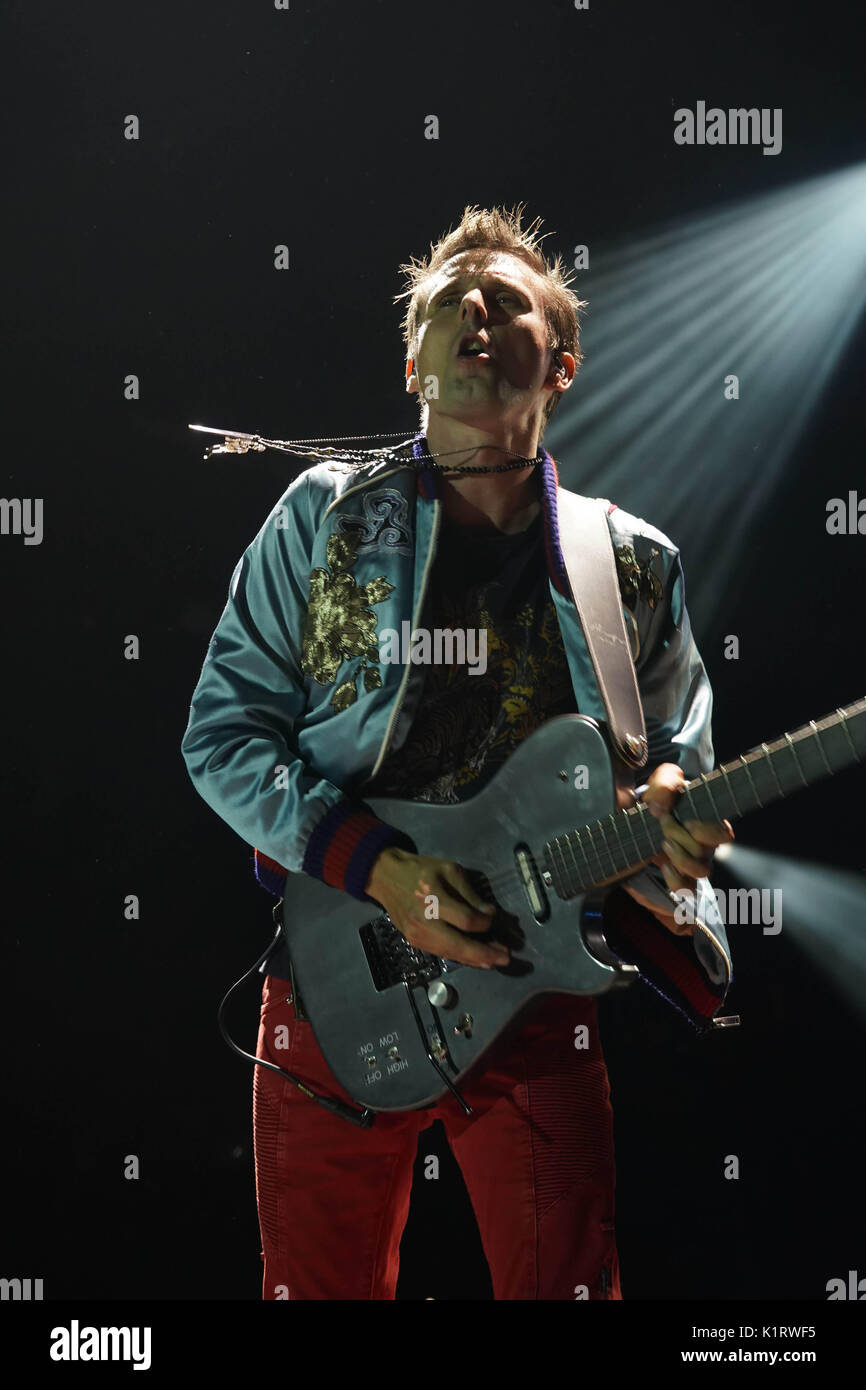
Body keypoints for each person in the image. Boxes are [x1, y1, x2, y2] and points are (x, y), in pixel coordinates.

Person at [181, 204, 735, 1301]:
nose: (472, 310)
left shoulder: (631, 565)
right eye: (446, 303)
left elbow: (674, 763)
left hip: (538, 1006)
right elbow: (221, 734)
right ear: (411, 367)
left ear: (560, 366)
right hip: (336, 985)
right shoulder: (320, 522)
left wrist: (672, 825)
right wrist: (385, 874)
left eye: (506, 300)